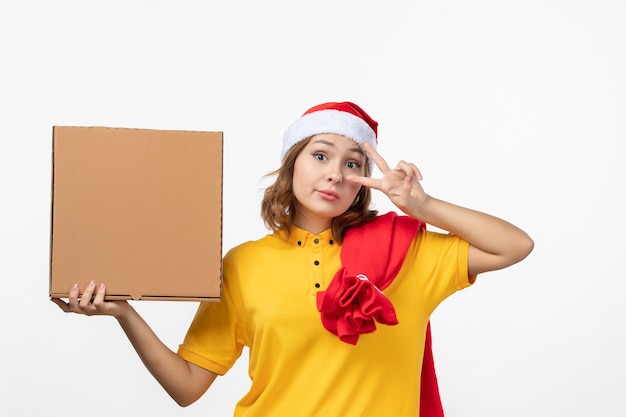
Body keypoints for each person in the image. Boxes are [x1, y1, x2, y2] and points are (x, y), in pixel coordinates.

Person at [52, 101, 534, 416]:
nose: (335, 174)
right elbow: (187, 387)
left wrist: (422, 207)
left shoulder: (408, 252)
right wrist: (124, 312)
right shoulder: (243, 265)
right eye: (320, 155)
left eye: (353, 164)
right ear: (293, 164)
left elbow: (515, 245)